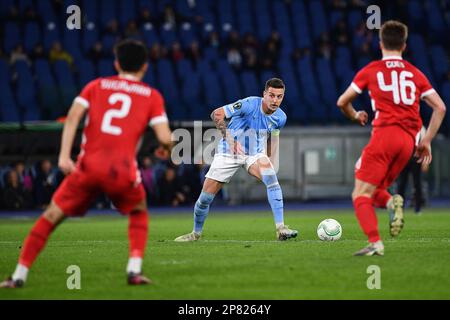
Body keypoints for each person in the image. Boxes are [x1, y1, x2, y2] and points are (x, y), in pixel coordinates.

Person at [0, 39, 173, 288]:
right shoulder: (152, 96)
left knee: (50, 216)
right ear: (145, 67)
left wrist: (63, 156)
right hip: (121, 171)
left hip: (88, 167)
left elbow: (72, 118)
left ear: (116, 63)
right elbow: (165, 138)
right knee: (138, 209)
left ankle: (19, 275)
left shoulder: (96, 85)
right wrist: (167, 146)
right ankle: (134, 270)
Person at [337, 21, 446, 256]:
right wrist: (425, 140)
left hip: (385, 135)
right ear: (404, 45)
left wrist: (356, 115)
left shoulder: (371, 70)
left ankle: (375, 243)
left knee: (359, 194)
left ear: (380, 44)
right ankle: (391, 202)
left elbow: (342, 101)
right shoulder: (415, 73)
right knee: (376, 189)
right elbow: (440, 107)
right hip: (408, 142)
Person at [174, 78, 298, 242]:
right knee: (205, 199)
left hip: (254, 154)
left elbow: (273, 138)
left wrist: (270, 160)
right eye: (272, 95)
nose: (275, 100)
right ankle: (195, 234)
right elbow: (216, 113)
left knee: (272, 180)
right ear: (264, 94)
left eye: (279, 96)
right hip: (228, 152)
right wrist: (230, 139)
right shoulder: (248, 104)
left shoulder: (281, 117)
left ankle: (281, 228)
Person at [397, 127, 429, 215]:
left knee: (417, 183)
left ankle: (418, 208)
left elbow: (425, 143)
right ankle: (400, 208)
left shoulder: (420, 127)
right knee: (402, 184)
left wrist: (425, 161)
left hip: (416, 158)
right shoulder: (402, 125)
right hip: (404, 158)